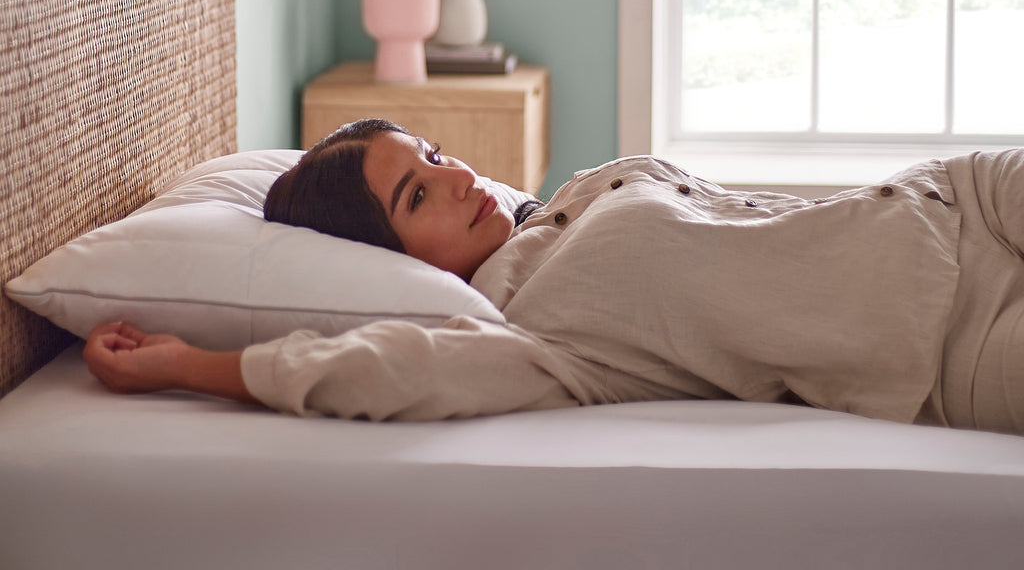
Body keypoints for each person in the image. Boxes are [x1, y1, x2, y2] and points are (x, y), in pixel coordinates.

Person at [84, 120, 1024, 435]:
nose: (458, 177)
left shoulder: (566, 204)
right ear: (389, 260)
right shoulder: (532, 334)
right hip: (961, 346)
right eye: (419, 196)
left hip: (961, 197)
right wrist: (188, 364)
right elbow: (389, 368)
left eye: (437, 154)